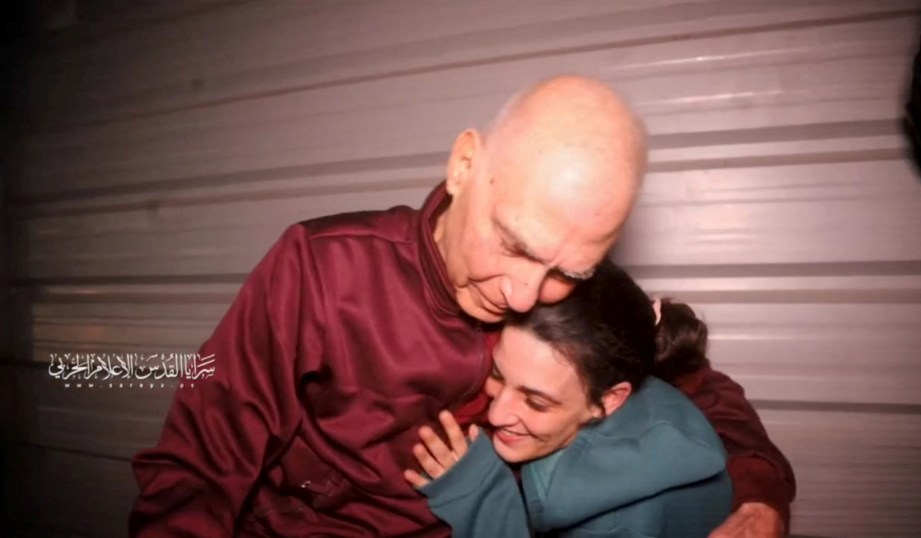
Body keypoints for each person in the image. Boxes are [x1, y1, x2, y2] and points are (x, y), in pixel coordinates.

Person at [129, 76, 794, 537]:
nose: (524, 295)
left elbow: (689, 377)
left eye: (567, 271)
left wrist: (759, 493)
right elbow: (201, 456)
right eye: (511, 244)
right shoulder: (320, 267)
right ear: (464, 164)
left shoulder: (565, 266)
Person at [405, 260, 733, 537]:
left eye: (535, 401)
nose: (497, 414)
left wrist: (480, 498)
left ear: (607, 401)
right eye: (498, 374)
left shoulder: (616, 526)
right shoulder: (628, 374)